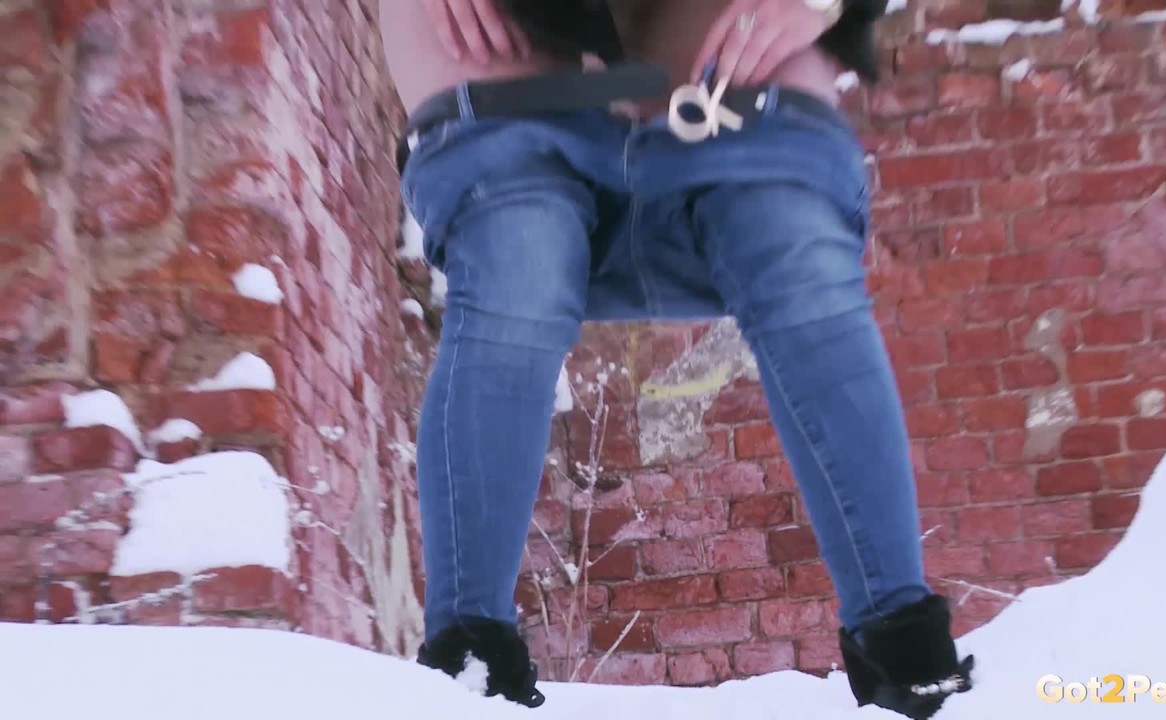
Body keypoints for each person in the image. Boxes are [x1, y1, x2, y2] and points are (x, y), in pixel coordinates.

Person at [379, 1, 976, 718]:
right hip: (509, 68)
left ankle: (907, 657)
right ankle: (470, 665)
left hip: (733, 68)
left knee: (800, 269)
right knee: (517, 275)